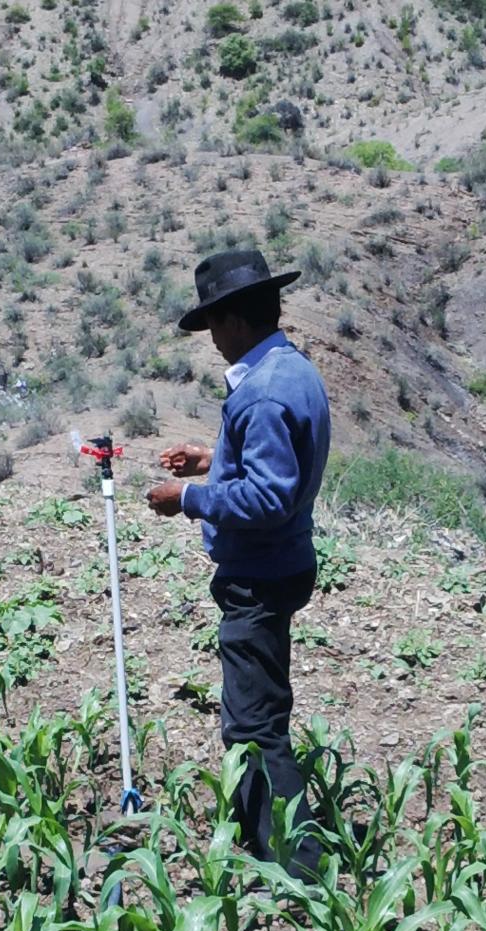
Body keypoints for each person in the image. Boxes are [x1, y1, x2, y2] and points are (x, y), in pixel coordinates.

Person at [146, 249, 331, 877]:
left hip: (259, 574)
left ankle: (294, 870)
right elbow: (275, 464)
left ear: (235, 321)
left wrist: (190, 499)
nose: (213, 341)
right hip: (285, 562)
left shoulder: (261, 395)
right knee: (262, 712)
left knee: (253, 728)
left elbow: (269, 495)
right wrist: (212, 460)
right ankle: (271, 841)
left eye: (214, 327)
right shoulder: (292, 368)